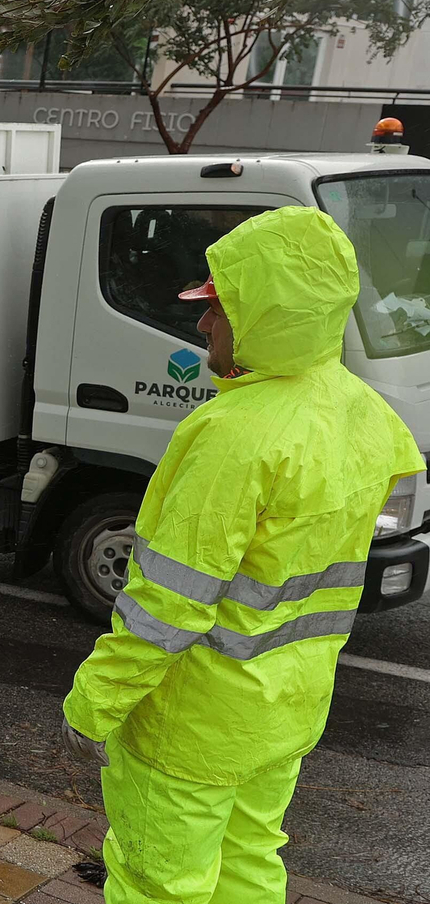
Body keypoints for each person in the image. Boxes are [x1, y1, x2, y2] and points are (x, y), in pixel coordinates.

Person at [62, 206, 423, 904]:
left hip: (192, 725)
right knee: (251, 865)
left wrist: (93, 702)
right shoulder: (368, 414)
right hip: (283, 714)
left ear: (266, 316)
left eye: (218, 310)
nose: (203, 326)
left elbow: (168, 603)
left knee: (158, 882)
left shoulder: (234, 435)